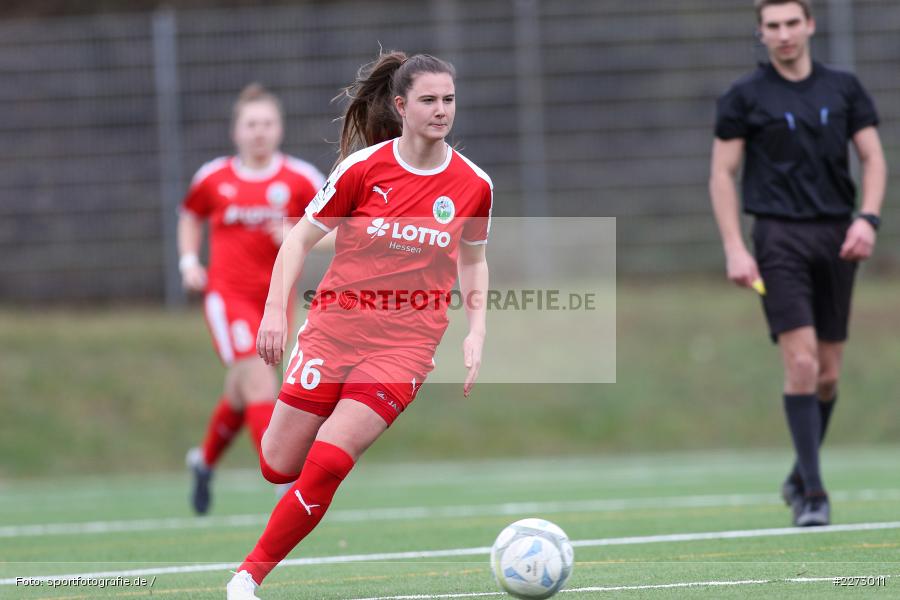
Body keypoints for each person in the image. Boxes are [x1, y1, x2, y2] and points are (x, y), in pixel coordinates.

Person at [224, 51, 492, 599]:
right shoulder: (363, 169)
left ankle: (246, 578)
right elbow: (298, 238)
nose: (442, 111)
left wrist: (476, 329)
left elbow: (473, 258)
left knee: (327, 462)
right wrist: (276, 310)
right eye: (429, 100)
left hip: (406, 347)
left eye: (449, 100)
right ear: (400, 105)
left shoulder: (473, 185)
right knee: (278, 465)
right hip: (334, 330)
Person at [710, 0, 887, 527]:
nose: (784, 34)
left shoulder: (845, 87)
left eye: (792, 23)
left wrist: (868, 219)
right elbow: (723, 174)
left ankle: (797, 471)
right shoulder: (743, 97)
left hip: (838, 236)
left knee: (828, 374)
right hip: (777, 237)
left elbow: (874, 157)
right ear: (760, 33)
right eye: (773, 26)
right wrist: (735, 247)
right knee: (802, 363)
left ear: (809, 25)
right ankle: (813, 493)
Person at [179, 83, 326, 515]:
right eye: (251, 124)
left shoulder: (301, 178)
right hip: (228, 299)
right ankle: (284, 478)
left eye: (266, 123)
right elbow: (189, 215)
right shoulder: (213, 177)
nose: (259, 131)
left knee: (244, 391)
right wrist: (189, 261)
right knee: (262, 380)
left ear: (279, 128)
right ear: (236, 131)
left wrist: (299, 234)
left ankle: (204, 462)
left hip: (277, 302)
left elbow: (339, 228)